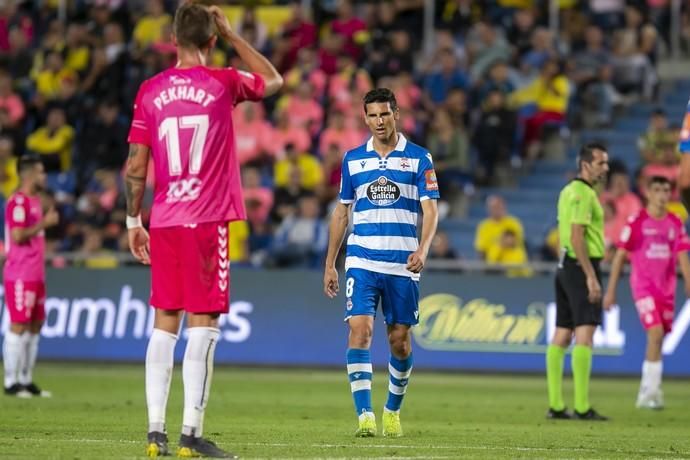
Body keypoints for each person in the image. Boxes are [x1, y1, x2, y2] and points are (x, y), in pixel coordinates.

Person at [124, 4, 282, 458]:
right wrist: (234, 37)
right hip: (206, 219)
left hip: (166, 219)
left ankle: (155, 433)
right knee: (204, 324)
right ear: (211, 41)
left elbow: (136, 166)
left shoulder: (150, 91)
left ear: (173, 38)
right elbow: (273, 81)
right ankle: (191, 435)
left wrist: (135, 221)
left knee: (164, 323)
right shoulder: (223, 82)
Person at [323, 88, 439, 437]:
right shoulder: (353, 159)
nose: (378, 121)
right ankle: (365, 418)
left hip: (403, 263)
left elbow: (430, 208)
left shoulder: (419, 158)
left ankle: (392, 410)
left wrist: (423, 250)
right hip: (362, 258)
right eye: (372, 115)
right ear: (365, 118)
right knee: (360, 330)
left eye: (384, 114)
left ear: (396, 114)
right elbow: (342, 212)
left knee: (399, 340)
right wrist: (331, 263)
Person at [603, 176, 690, 409]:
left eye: (666, 190)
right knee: (655, 333)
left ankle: (650, 389)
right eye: (657, 190)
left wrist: (689, 281)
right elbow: (620, 256)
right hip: (643, 287)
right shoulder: (637, 221)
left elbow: (682, 252)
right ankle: (649, 393)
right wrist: (610, 291)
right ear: (648, 194)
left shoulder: (675, 221)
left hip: (667, 289)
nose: (662, 195)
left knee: (659, 339)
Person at [547, 142, 610, 421]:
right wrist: (591, 277)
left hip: (563, 265)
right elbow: (577, 237)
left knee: (562, 332)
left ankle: (556, 405)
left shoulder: (567, 191)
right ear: (585, 165)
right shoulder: (584, 194)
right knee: (585, 332)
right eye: (600, 163)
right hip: (580, 265)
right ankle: (582, 406)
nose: (605, 168)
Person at [3, 154, 59, 398]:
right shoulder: (18, 202)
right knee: (18, 324)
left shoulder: (36, 201)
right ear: (29, 175)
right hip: (19, 273)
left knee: (35, 326)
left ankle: (26, 380)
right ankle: (10, 382)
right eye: (41, 172)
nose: (44, 176)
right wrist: (44, 224)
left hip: (36, 273)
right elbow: (17, 236)